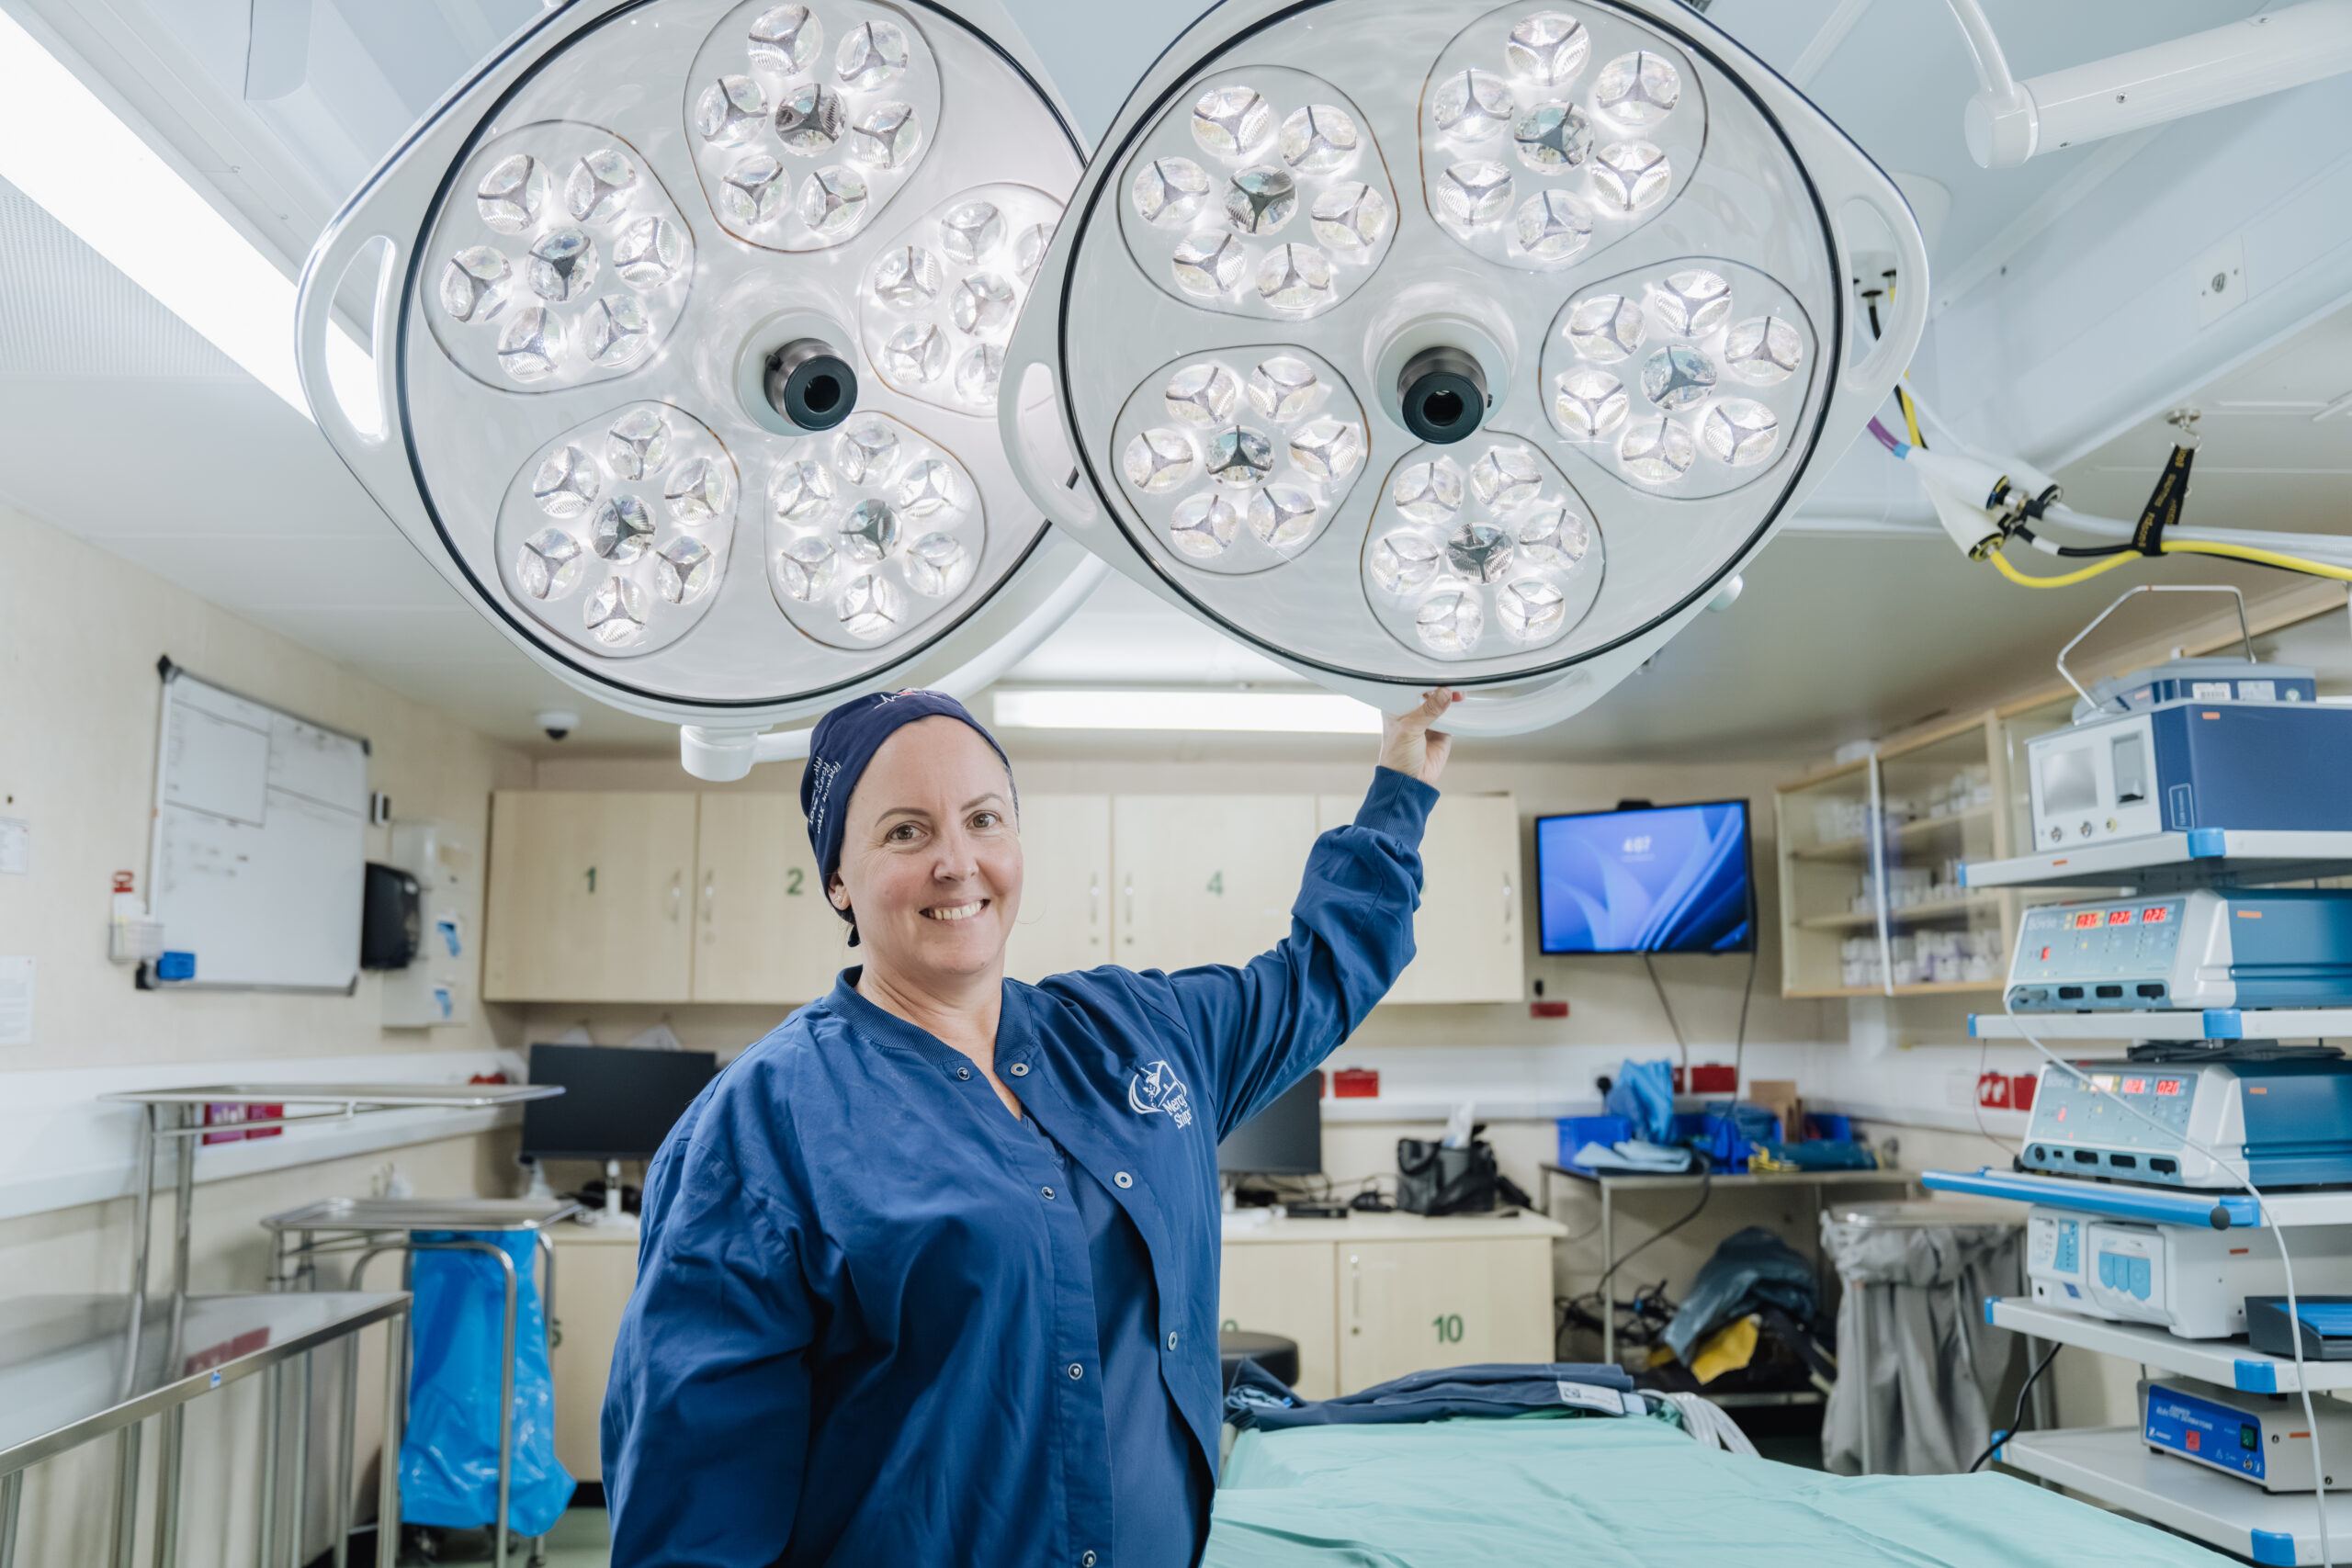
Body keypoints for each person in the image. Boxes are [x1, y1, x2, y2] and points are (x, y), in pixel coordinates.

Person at [603, 685, 1462, 1567]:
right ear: (837, 880)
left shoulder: (1138, 1034)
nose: (957, 861)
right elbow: (693, 1511)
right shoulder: (759, 1129)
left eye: (984, 819)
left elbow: (1319, 974)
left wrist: (1400, 785)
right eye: (906, 831)